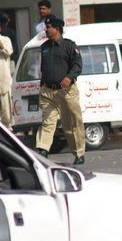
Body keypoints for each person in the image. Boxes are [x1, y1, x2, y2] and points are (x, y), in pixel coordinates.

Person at [35, 16, 86, 165]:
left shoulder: (69, 46)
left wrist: (69, 78)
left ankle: (79, 153)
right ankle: (43, 150)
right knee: (47, 121)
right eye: (46, 26)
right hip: (47, 92)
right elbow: (43, 68)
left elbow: (77, 65)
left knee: (71, 123)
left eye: (48, 26)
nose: (46, 29)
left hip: (66, 91)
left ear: (57, 29)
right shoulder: (44, 47)